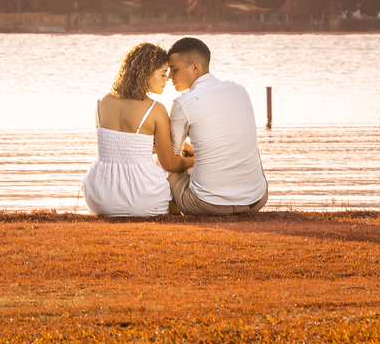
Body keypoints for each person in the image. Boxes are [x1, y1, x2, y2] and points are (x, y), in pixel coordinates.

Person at [82, 42, 194, 217]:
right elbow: (170, 164)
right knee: (177, 169)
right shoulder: (155, 109)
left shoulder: (101, 102)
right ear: (145, 74)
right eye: (163, 74)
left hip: (99, 197)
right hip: (143, 200)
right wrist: (197, 160)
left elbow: (120, 146)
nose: (167, 79)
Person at [166, 37, 268, 215]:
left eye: (174, 69)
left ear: (194, 67)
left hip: (206, 205)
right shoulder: (240, 90)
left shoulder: (183, 103)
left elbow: (172, 161)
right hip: (256, 200)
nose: (169, 76)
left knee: (164, 161)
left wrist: (190, 159)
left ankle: (172, 220)